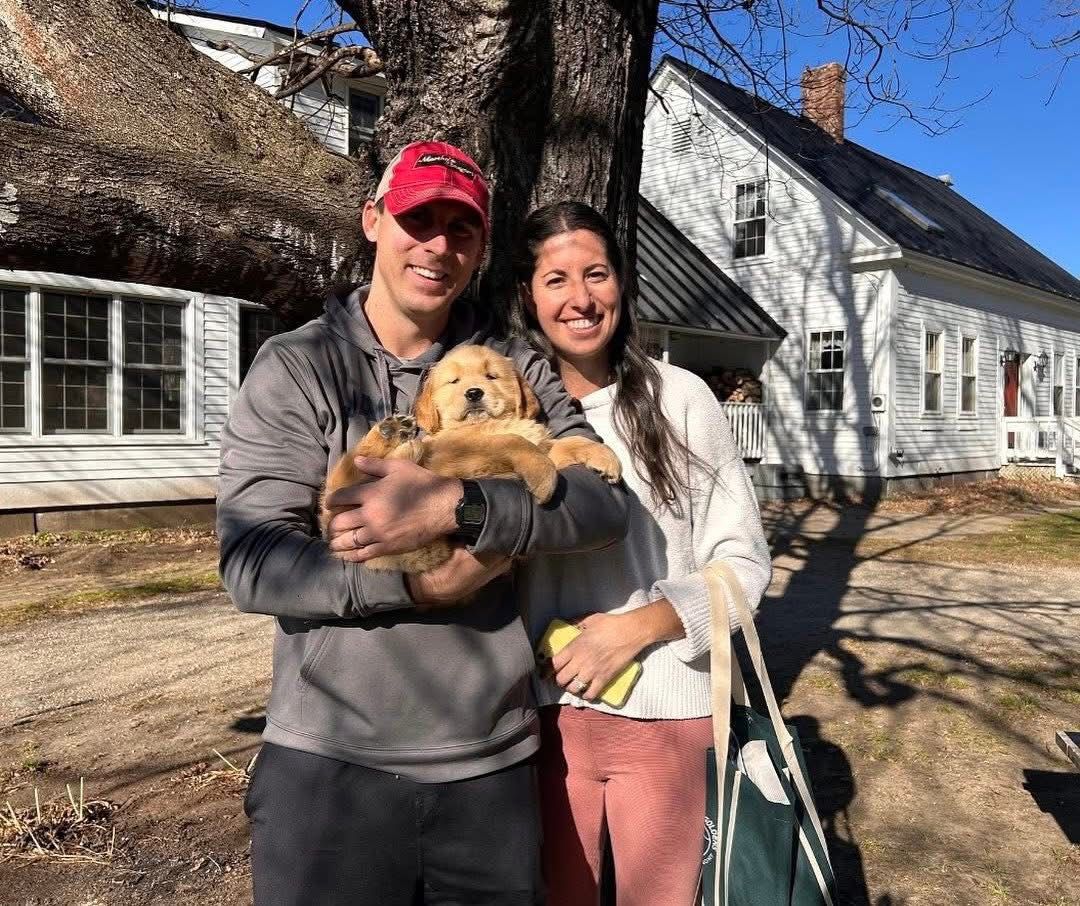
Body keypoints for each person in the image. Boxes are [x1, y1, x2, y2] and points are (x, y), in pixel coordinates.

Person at [217, 143, 629, 906]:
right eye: (417, 219)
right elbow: (253, 560)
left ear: (479, 248)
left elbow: (604, 505)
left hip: (489, 764)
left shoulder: (515, 365)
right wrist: (422, 584)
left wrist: (461, 509)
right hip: (330, 765)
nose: (438, 246)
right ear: (374, 221)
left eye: (461, 229)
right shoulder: (299, 366)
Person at [510, 201, 773, 905]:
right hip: (543, 723)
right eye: (556, 279)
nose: (580, 298)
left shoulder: (679, 398)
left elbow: (745, 562)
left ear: (623, 284)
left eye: (596, 274)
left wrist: (638, 627)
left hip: (665, 717)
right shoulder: (509, 415)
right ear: (528, 296)